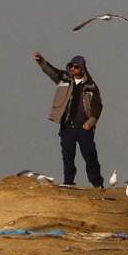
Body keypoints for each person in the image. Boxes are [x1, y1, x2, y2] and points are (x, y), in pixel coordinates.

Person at [33, 52, 104, 188]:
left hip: (84, 128)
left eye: (76, 67)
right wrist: (41, 61)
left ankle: (97, 183)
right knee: (68, 155)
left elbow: (97, 106)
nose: (72, 69)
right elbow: (51, 71)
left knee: (90, 155)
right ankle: (68, 181)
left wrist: (90, 123)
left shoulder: (91, 86)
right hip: (67, 126)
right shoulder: (64, 79)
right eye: (70, 66)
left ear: (82, 68)